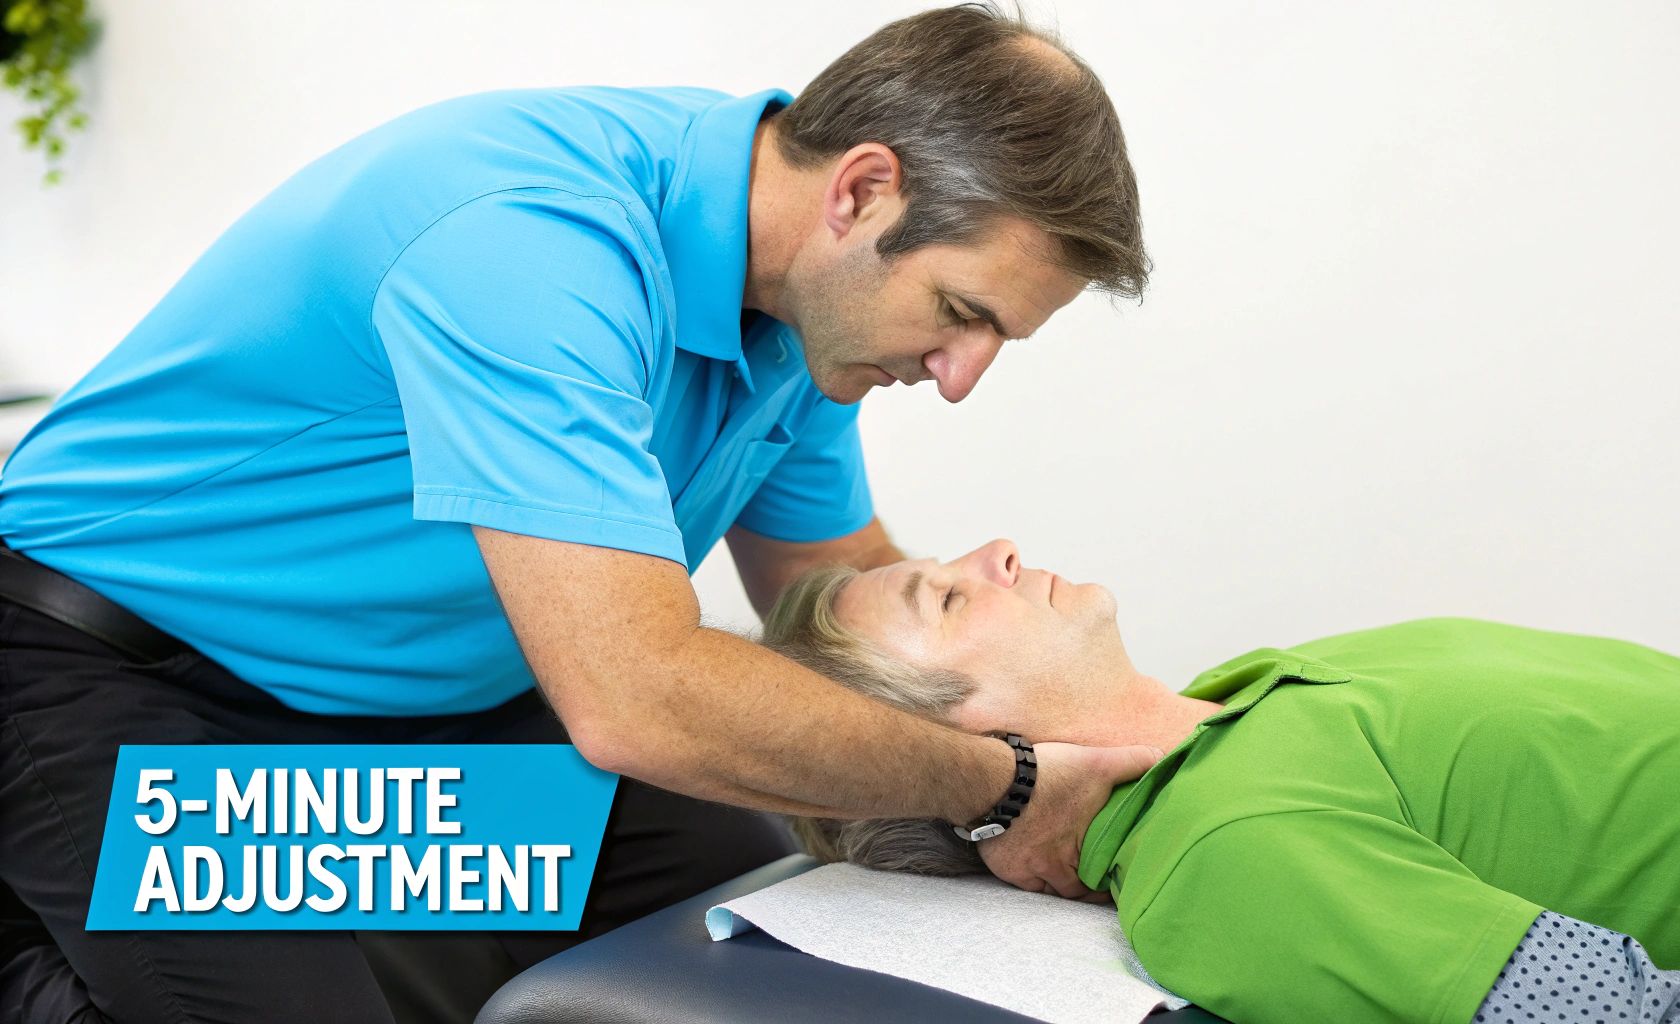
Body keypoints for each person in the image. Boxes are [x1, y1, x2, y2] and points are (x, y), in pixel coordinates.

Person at [0, 6, 1161, 1023]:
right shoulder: (530, 247)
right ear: (859, 192)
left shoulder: (805, 313)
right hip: (111, 678)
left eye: (997, 337)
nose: (960, 373)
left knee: (741, 932)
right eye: (960, 313)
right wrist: (1001, 784)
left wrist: (1095, 736)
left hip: (432, 711)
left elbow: (841, 601)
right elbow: (635, 698)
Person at [763, 540, 1680, 1024]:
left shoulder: (1267, 688)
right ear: (963, 747)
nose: (992, 552)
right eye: (945, 600)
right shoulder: (1228, 851)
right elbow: (1627, 1017)